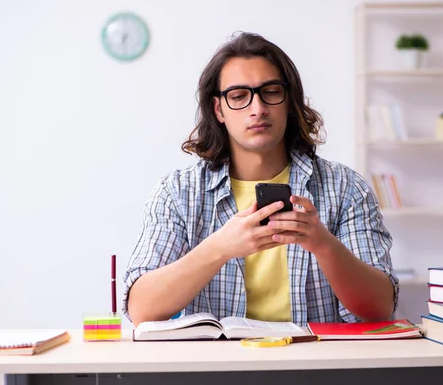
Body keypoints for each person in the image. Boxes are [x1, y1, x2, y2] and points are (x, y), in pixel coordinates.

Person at [123, 32, 398, 327]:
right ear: (219, 110)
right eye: (239, 96)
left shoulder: (345, 188)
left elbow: (379, 310)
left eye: (271, 92)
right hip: (217, 369)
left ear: (289, 101)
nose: (258, 109)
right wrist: (219, 248)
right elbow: (141, 310)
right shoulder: (178, 192)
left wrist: (323, 244)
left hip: (318, 367)